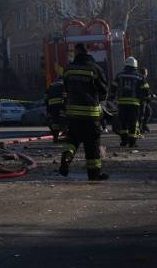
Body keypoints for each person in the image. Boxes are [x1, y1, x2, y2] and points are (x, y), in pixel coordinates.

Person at [59, 43, 110, 180]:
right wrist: (100, 99)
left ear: (77, 52)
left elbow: (64, 89)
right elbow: (104, 90)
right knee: (92, 144)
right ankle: (94, 174)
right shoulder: (95, 69)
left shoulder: (68, 69)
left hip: (73, 114)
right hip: (90, 115)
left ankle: (66, 158)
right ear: (88, 53)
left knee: (73, 140)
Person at [114, 57, 148, 148]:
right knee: (133, 123)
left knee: (123, 122)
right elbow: (146, 89)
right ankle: (132, 142)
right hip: (134, 104)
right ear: (135, 66)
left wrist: (112, 97)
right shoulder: (139, 76)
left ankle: (124, 141)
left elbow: (113, 87)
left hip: (122, 103)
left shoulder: (119, 75)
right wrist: (146, 97)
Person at [45, 72, 66, 141]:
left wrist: (48, 107)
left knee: (55, 121)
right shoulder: (64, 84)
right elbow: (66, 95)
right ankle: (66, 133)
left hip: (52, 106)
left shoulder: (52, 85)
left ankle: (55, 136)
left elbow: (46, 97)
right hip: (61, 104)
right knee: (64, 119)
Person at [140, 68, 153, 133]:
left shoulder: (143, 79)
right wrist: (151, 95)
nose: (147, 73)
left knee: (148, 112)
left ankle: (144, 126)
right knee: (142, 115)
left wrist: (151, 94)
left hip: (145, 100)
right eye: (146, 72)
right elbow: (146, 90)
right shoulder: (142, 79)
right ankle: (141, 128)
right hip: (142, 100)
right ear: (145, 73)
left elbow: (147, 89)